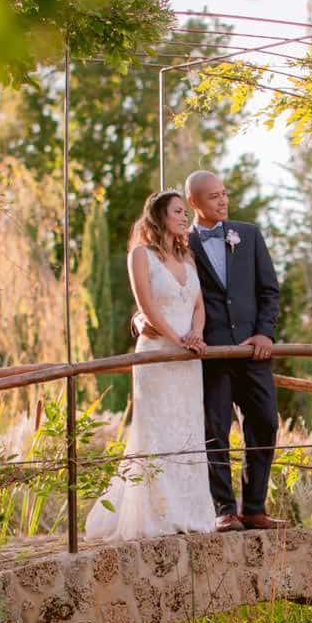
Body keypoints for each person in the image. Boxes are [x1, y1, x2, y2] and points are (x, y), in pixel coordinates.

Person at [84, 190, 217, 542]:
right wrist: (177, 339)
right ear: (159, 216)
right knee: (157, 431)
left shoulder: (187, 258)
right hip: (157, 354)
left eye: (184, 212)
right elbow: (148, 307)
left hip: (189, 359)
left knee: (188, 432)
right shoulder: (140, 256)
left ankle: (189, 513)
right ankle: (157, 513)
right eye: (177, 211)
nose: (184, 217)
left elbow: (198, 305)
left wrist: (197, 335)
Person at [182, 169, 285, 532]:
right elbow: (166, 289)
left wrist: (265, 334)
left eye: (224, 194)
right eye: (214, 196)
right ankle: (224, 510)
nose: (223, 201)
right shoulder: (181, 244)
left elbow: (269, 291)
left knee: (265, 422)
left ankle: (254, 507)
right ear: (193, 202)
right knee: (215, 431)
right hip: (209, 355)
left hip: (251, 352)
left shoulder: (250, 235)